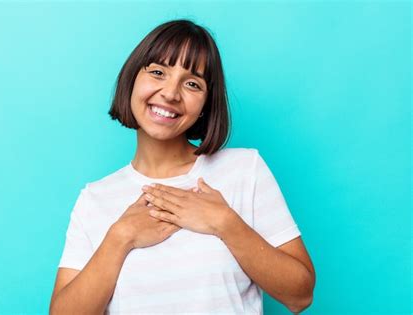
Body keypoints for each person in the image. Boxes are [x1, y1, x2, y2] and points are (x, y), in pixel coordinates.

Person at [49, 19, 315, 314]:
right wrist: (120, 237)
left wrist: (224, 223)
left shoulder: (244, 170)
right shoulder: (95, 199)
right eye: (158, 72)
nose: (171, 93)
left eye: (192, 83)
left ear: (206, 103)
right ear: (132, 79)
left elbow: (300, 295)